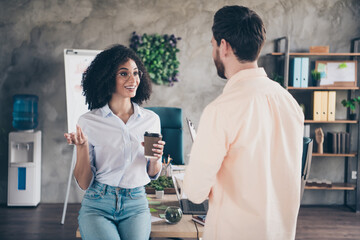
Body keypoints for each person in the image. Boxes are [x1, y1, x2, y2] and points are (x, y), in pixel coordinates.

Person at [183, 5, 304, 240]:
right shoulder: (289, 103)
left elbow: (195, 192)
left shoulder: (221, 110)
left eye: (213, 45)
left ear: (224, 46)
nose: (213, 52)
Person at [64, 44, 165, 240]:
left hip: (135, 203)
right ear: (108, 77)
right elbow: (84, 184)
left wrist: (155, 159)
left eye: (136, 73)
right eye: (124, 73)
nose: (133, 79)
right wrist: (82, 147)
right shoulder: (88, 121)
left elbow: (153, 173)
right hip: (97, 204)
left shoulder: (151, 120)